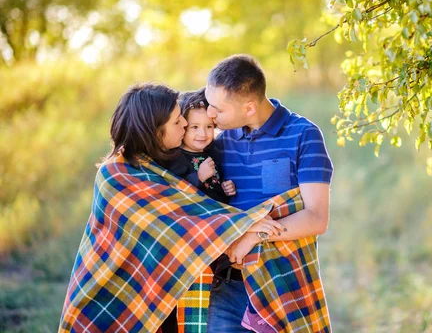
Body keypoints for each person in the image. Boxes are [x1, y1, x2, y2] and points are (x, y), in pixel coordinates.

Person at [58, 83, 284, 333]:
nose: (185, 126)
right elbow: (178, 224)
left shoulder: (169, 160)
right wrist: (243, 224)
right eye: (178, 122)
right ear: (156, 132)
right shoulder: (117, 174)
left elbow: (193, 208)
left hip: (164, 291)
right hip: (114, 293)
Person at [205, 54, 334, 332]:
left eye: (217, 109)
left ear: (249, 107)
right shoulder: (220, 142)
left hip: (281, 285)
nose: (210, 115)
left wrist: (252, 236)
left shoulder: (303, 134)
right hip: (227, 288)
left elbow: (316, 217)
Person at [161, 88, 284, 331]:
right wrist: (199, 177)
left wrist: (224, 186)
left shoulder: (215, 151)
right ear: (183, 127)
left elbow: (218, 190)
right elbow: (179, 196)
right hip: (198, 235)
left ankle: (253, 308)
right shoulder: (176, 159)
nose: (203, 134)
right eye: (194, 127)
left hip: (221, 233)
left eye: (209, 127)